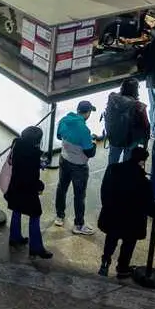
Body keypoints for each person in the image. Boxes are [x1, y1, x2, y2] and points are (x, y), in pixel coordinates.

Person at [97, 147, 155, 279]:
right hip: (131, 220)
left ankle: (105, 262)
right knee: (128, 244)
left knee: (111, 239)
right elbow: (148, 204)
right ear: (142, 161)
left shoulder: (113, 169)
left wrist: (107, 206)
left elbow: (104, 189)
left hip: (113, 215)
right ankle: (122, 269)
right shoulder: (144, 182)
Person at [3, 126, 53, 259]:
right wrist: (40, 186)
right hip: (28, 191)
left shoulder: (17, 145)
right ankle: (36, 247)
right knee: (35, 215)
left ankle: (15, 237)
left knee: (16, 211)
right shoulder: (34, 155)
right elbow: (31, 177)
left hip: (15, 187)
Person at [55, 100, 98, 235]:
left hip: (64, 159)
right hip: (79, 166)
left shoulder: (64, 120)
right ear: (87, 113)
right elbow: (90, 153)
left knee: (61, 188)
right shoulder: (84, 130)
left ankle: (59, 216)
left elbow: (59, 136)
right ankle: (78, 225)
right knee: (79, 196)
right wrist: (93, 142)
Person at [103, 77, 149, 165]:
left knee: (112, 162)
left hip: (114, 138)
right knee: (127, 164)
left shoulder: (112, 98)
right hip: (130, 141)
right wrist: (145, 145)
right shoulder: (139, 106)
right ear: (135, 90)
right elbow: (146, 125)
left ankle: (111, 172)